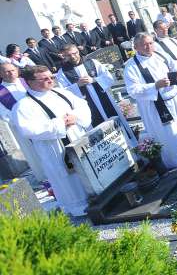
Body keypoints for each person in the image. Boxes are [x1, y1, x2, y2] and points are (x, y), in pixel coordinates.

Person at [12, 65, 92, 216]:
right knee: (68, 179)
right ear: (30, 81)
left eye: (51, 77)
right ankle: (79, 207)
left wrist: (76, 117)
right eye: (45, 79)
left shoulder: (60, 92)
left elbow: (82, 105)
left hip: (77, 138)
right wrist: (60, 123)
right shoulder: (23, 105)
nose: (51, 80)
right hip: (55, 149)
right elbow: (28, 129)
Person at [123, 33, 177, 168]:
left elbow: (176, 66)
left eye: (150, 43)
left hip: (175, 99)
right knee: (171, 135)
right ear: (136, 47)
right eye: (144, 44)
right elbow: (133, 90)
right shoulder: (131, 67)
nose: (149, 46)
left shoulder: (161, 55)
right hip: (157, 106)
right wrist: (155, 85)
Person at [56, 43, 136, 141]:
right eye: (69, 55)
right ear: (64, 56)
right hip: (85, 105)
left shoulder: (92, 62)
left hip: (103, 99)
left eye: (75, 53)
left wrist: (94, 80)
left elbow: (109, 77)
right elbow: (63, 93)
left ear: (78, 51)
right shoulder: (62, 72)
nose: (73, 56)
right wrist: (77, 86)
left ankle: (128, 143)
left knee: (114, 121)